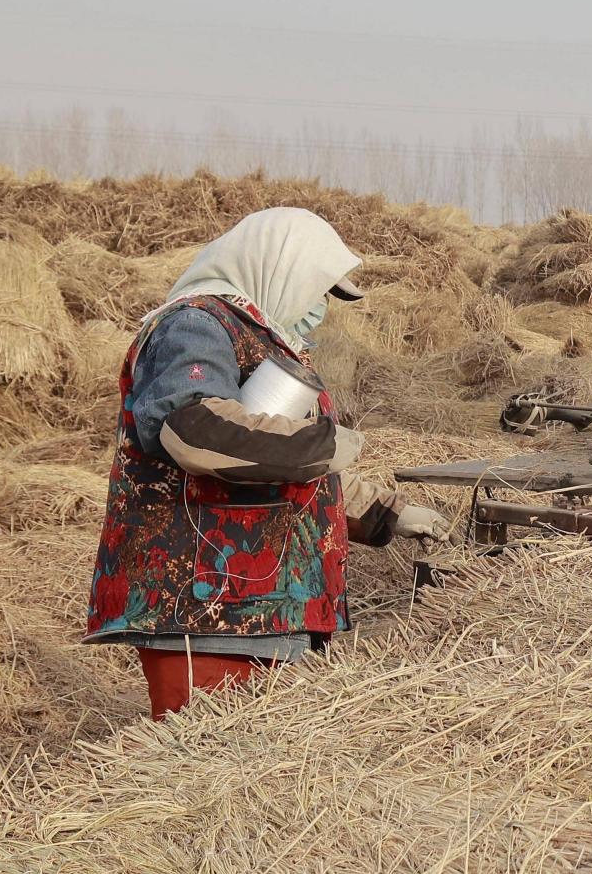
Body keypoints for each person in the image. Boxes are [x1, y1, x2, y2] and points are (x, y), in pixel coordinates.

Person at [84, 207, 442, 721]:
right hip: (208, 606)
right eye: (318, 290)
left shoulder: (261, 340)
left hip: (258, 606)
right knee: (207, 768)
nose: (319, 308)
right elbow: (195, 431)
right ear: (281, 267)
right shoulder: (195, 326)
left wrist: (384, 513)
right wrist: (319, 445)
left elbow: (274, 463)